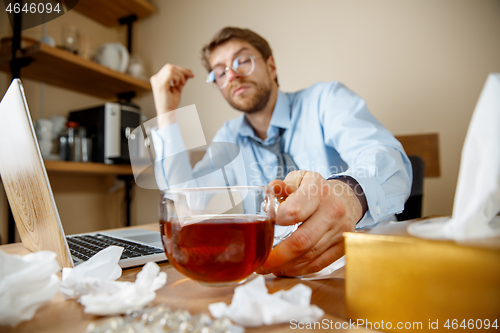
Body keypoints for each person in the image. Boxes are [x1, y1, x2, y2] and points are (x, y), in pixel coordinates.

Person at [150, 27, 412, 277]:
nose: (232, 76)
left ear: (271, 66)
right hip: (280, 275)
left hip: (365, 262)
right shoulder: (229, 137)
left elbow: (389, 159)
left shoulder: (325, 100)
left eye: (242, 61)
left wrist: (349, 195)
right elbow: (185, 202)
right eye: (220, 73)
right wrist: (167, 114)